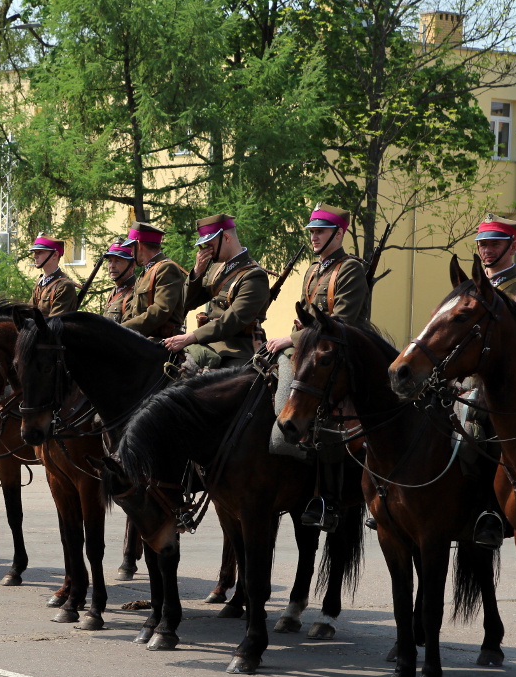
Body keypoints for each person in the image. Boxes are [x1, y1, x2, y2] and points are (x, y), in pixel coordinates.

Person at [266, 203, 369, 532]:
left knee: (329, 418)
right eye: (311, 232)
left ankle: (328, 500)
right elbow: (308, 317)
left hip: (343, 355)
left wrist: (292, 338)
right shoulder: (312, 270)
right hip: (312, 350)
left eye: (320, 232)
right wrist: (296, 336)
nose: (313, 237)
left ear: (338, 234)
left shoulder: (350, 269)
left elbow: (340, 322)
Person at [468, 213, 516, 548]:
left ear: (512, 246)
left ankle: (489, 512)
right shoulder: (468, 288)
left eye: (494, 243)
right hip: (464, 375)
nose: (487, 249)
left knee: (483, 426)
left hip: (502, 385)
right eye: (482, 243)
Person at [164, 214, 271, 372]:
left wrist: (190, 337)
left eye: (210, 244)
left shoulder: (254, 276)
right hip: (206, 344)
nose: (207, 250)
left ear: (226, 237)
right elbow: (187, 302)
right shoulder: (217, 268)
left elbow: (232, 321)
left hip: (235, 350)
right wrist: (197, 273)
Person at [119, 222, 186, 338]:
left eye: (131, 247)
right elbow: (131, 311)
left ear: (139, 245)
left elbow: (160, 310)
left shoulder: (166, 268)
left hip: (161, 341)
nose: (130, 251)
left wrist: (122, 329)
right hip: (141, 338)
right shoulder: (145, 272)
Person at [28, 236, 78, 316]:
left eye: (40, 252)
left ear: (55, 255)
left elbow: (54, 322)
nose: (35, 256)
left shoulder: (64, 286)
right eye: (35, 252)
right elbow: (29, 312)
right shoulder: (40, 282)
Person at [102, 240, 136, 323]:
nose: (112, 266)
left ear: (132, 265)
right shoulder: (115, 291)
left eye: (117, 261)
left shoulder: (135, 292)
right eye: (110, 261)